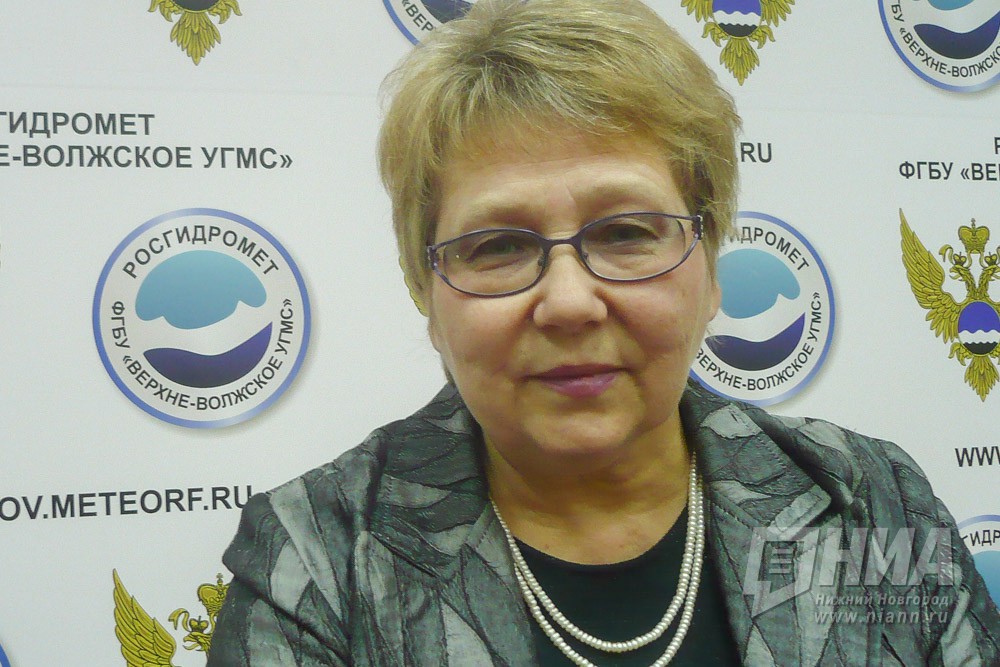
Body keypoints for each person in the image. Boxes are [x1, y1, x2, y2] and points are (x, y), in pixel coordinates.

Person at [208, 0, 1000, 664]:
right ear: (425, 287)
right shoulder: (317, 560)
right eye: (499, 245)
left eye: (626, 232)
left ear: (711, 266)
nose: (569, 303)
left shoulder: (872, 499)